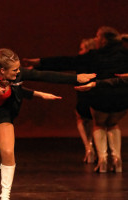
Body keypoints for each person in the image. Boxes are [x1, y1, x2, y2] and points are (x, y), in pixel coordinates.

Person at [0, 48, 95, 200]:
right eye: (14, 70)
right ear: (2, 70)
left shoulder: (18, 74)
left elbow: (44, 75)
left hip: (2, 113)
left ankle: (5, 196)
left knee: (8, 152)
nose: (18, 72)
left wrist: (75, 78)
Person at [23, 26, 128, 173]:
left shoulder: (94, 55)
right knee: (113, 124)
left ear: (103, 40)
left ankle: (103, 159)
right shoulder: (125, 54)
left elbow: (67, 62)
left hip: (101, 96)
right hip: (122, 98)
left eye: (97, 37)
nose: (95, 39)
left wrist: (40, 62)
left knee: (99, 124)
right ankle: (117, 159)